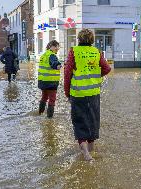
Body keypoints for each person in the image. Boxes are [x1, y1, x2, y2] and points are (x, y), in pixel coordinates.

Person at [64, 29, 111, 161]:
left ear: (79, 39)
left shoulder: (74, 51)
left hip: (78, 93)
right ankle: (92, 150)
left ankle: (85, 153)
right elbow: (107, 68)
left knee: (79, 122)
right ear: (92, 40)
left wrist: (67, 93)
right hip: (94, 93)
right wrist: (95, 77)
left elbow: (67, 74)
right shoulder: (97, 52)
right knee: (93, 120)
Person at [38, 40, 62, 118]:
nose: (57, 49)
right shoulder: (52, 55)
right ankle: (49, 119)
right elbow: (55, 65)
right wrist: (61, 65)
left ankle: (40, 113)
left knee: (44, 97)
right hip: (51, 82)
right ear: (52, 46)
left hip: (43, 81)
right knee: (52, 99)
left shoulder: (44, 55)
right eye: (57, 47)